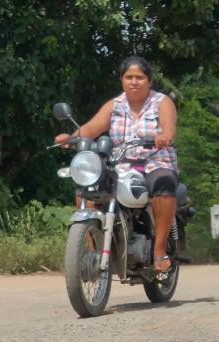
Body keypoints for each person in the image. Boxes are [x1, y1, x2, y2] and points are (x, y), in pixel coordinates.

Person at [55, 55, 178, 272]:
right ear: (122, 80)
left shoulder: (162, 102)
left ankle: (159, 251)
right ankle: (90, 248)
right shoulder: (115, 105)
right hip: (121, 163)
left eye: (139, 77)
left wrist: (164, 136)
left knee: (164, 183)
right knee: (88, 187)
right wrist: (71, 137)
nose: (134, 82)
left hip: (155, 160)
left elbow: (169, 128)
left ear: (149, 81)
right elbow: (91, 128)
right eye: (129, 77)